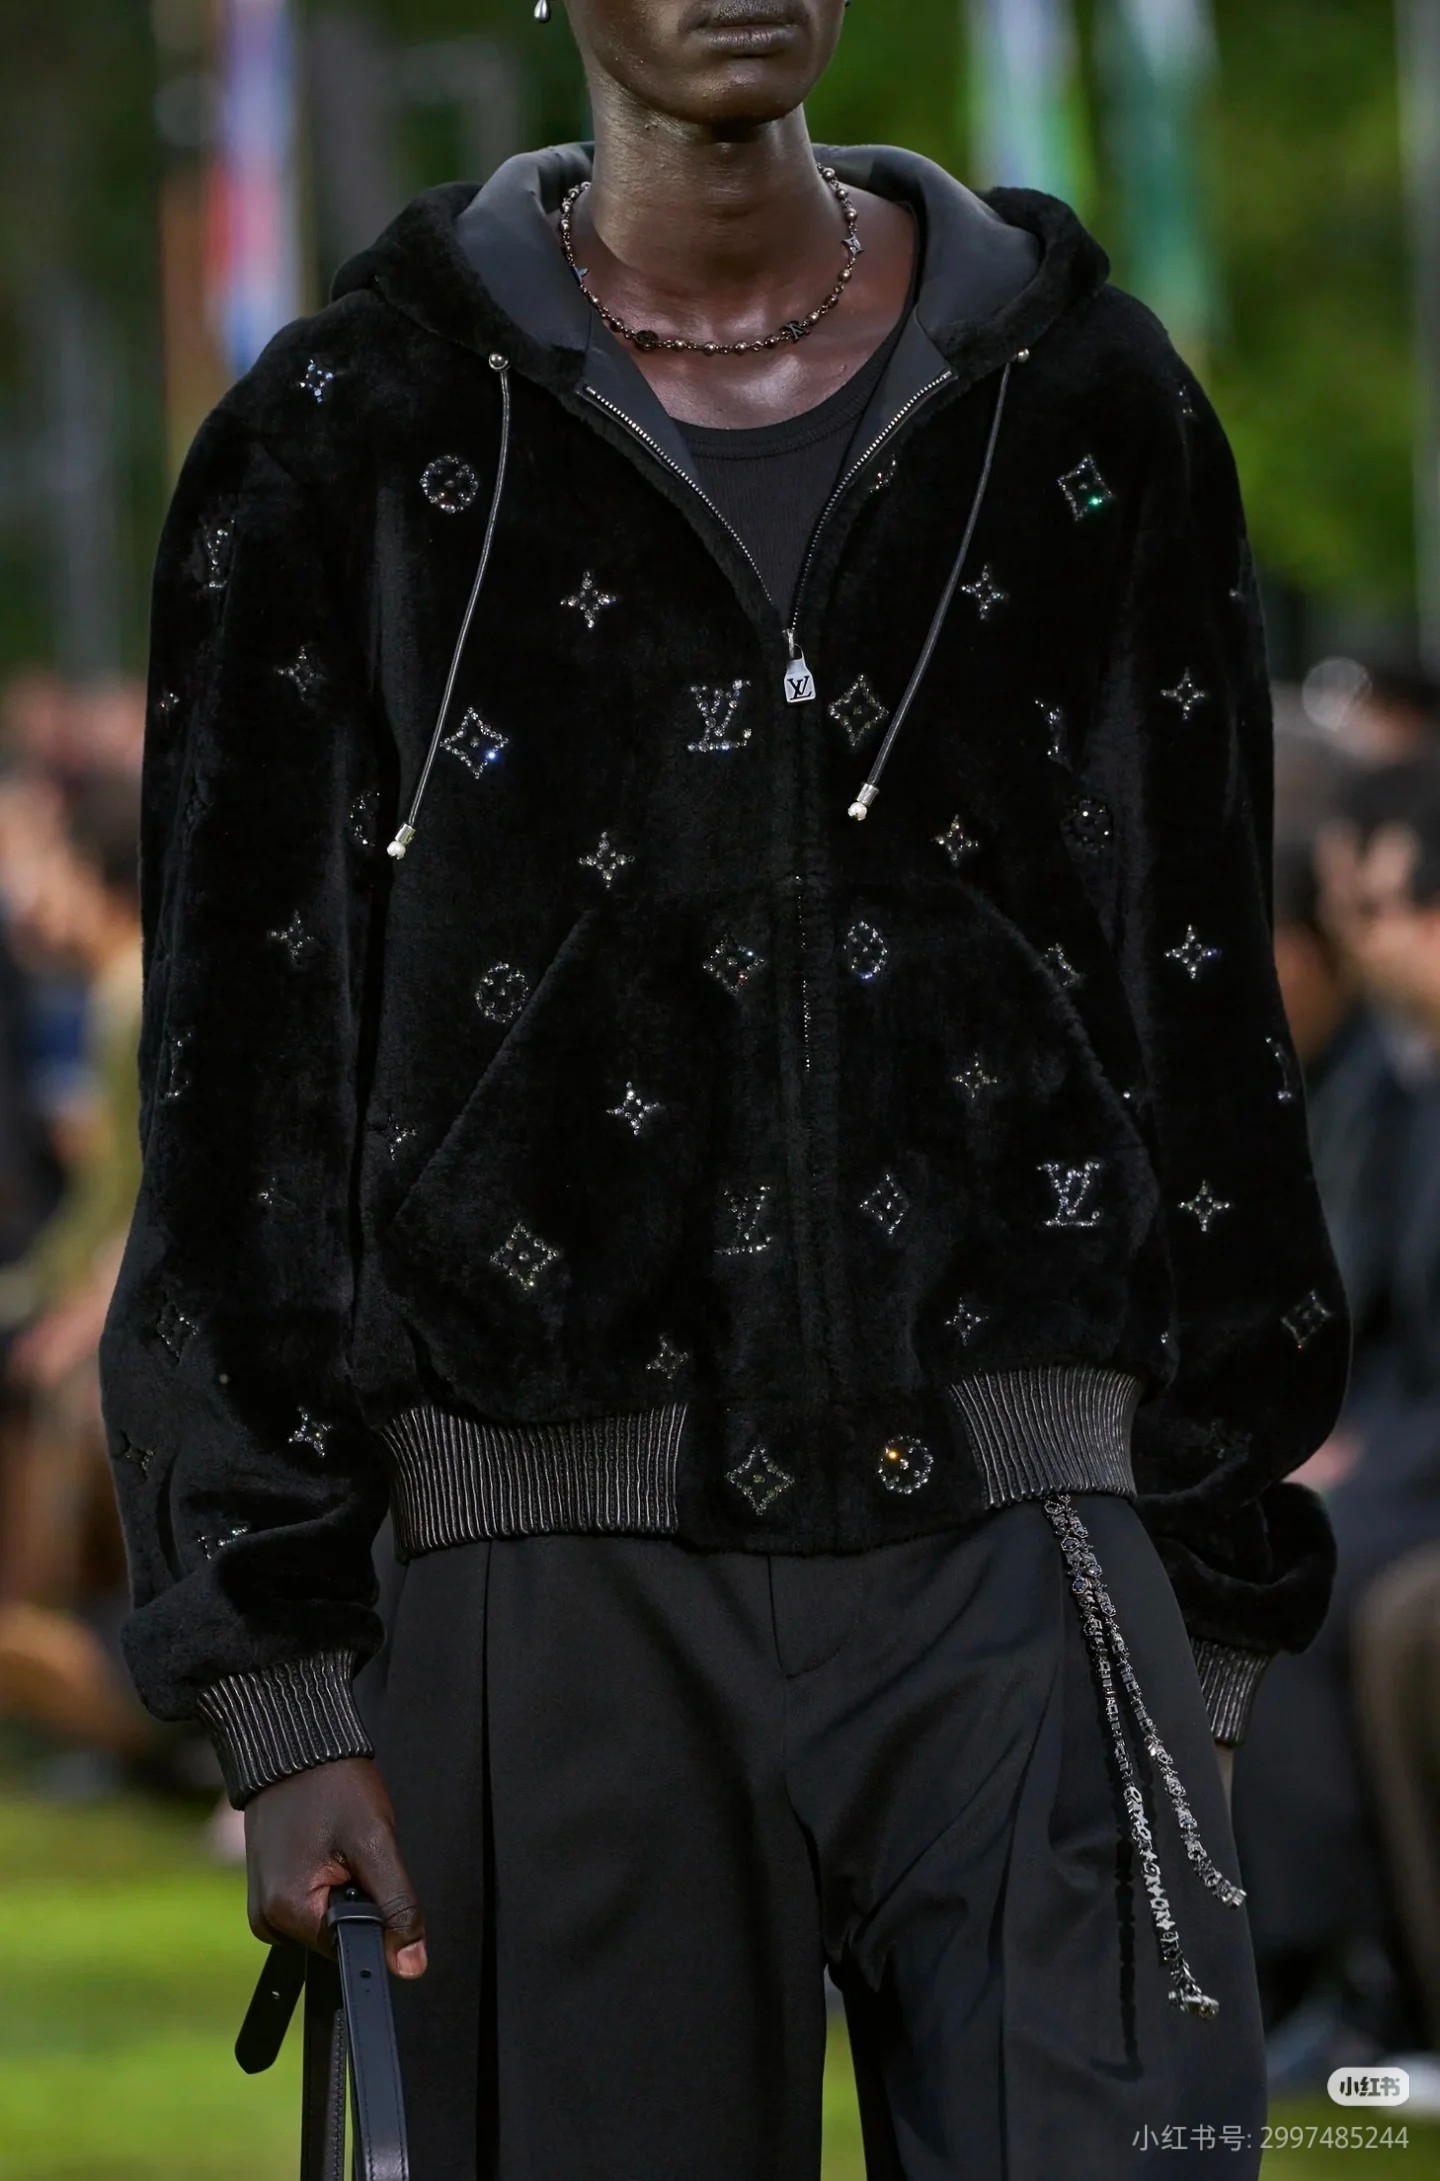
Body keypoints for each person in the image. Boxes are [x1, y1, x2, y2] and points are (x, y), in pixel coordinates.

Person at [99, 5, 1349, 2175]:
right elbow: (240, 1098)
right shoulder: (345, 437)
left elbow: (1210, 1019)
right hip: (547, 1586)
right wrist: (280, 1681)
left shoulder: (1092, 402)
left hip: (1035, 1552)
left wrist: (1213, 1610)